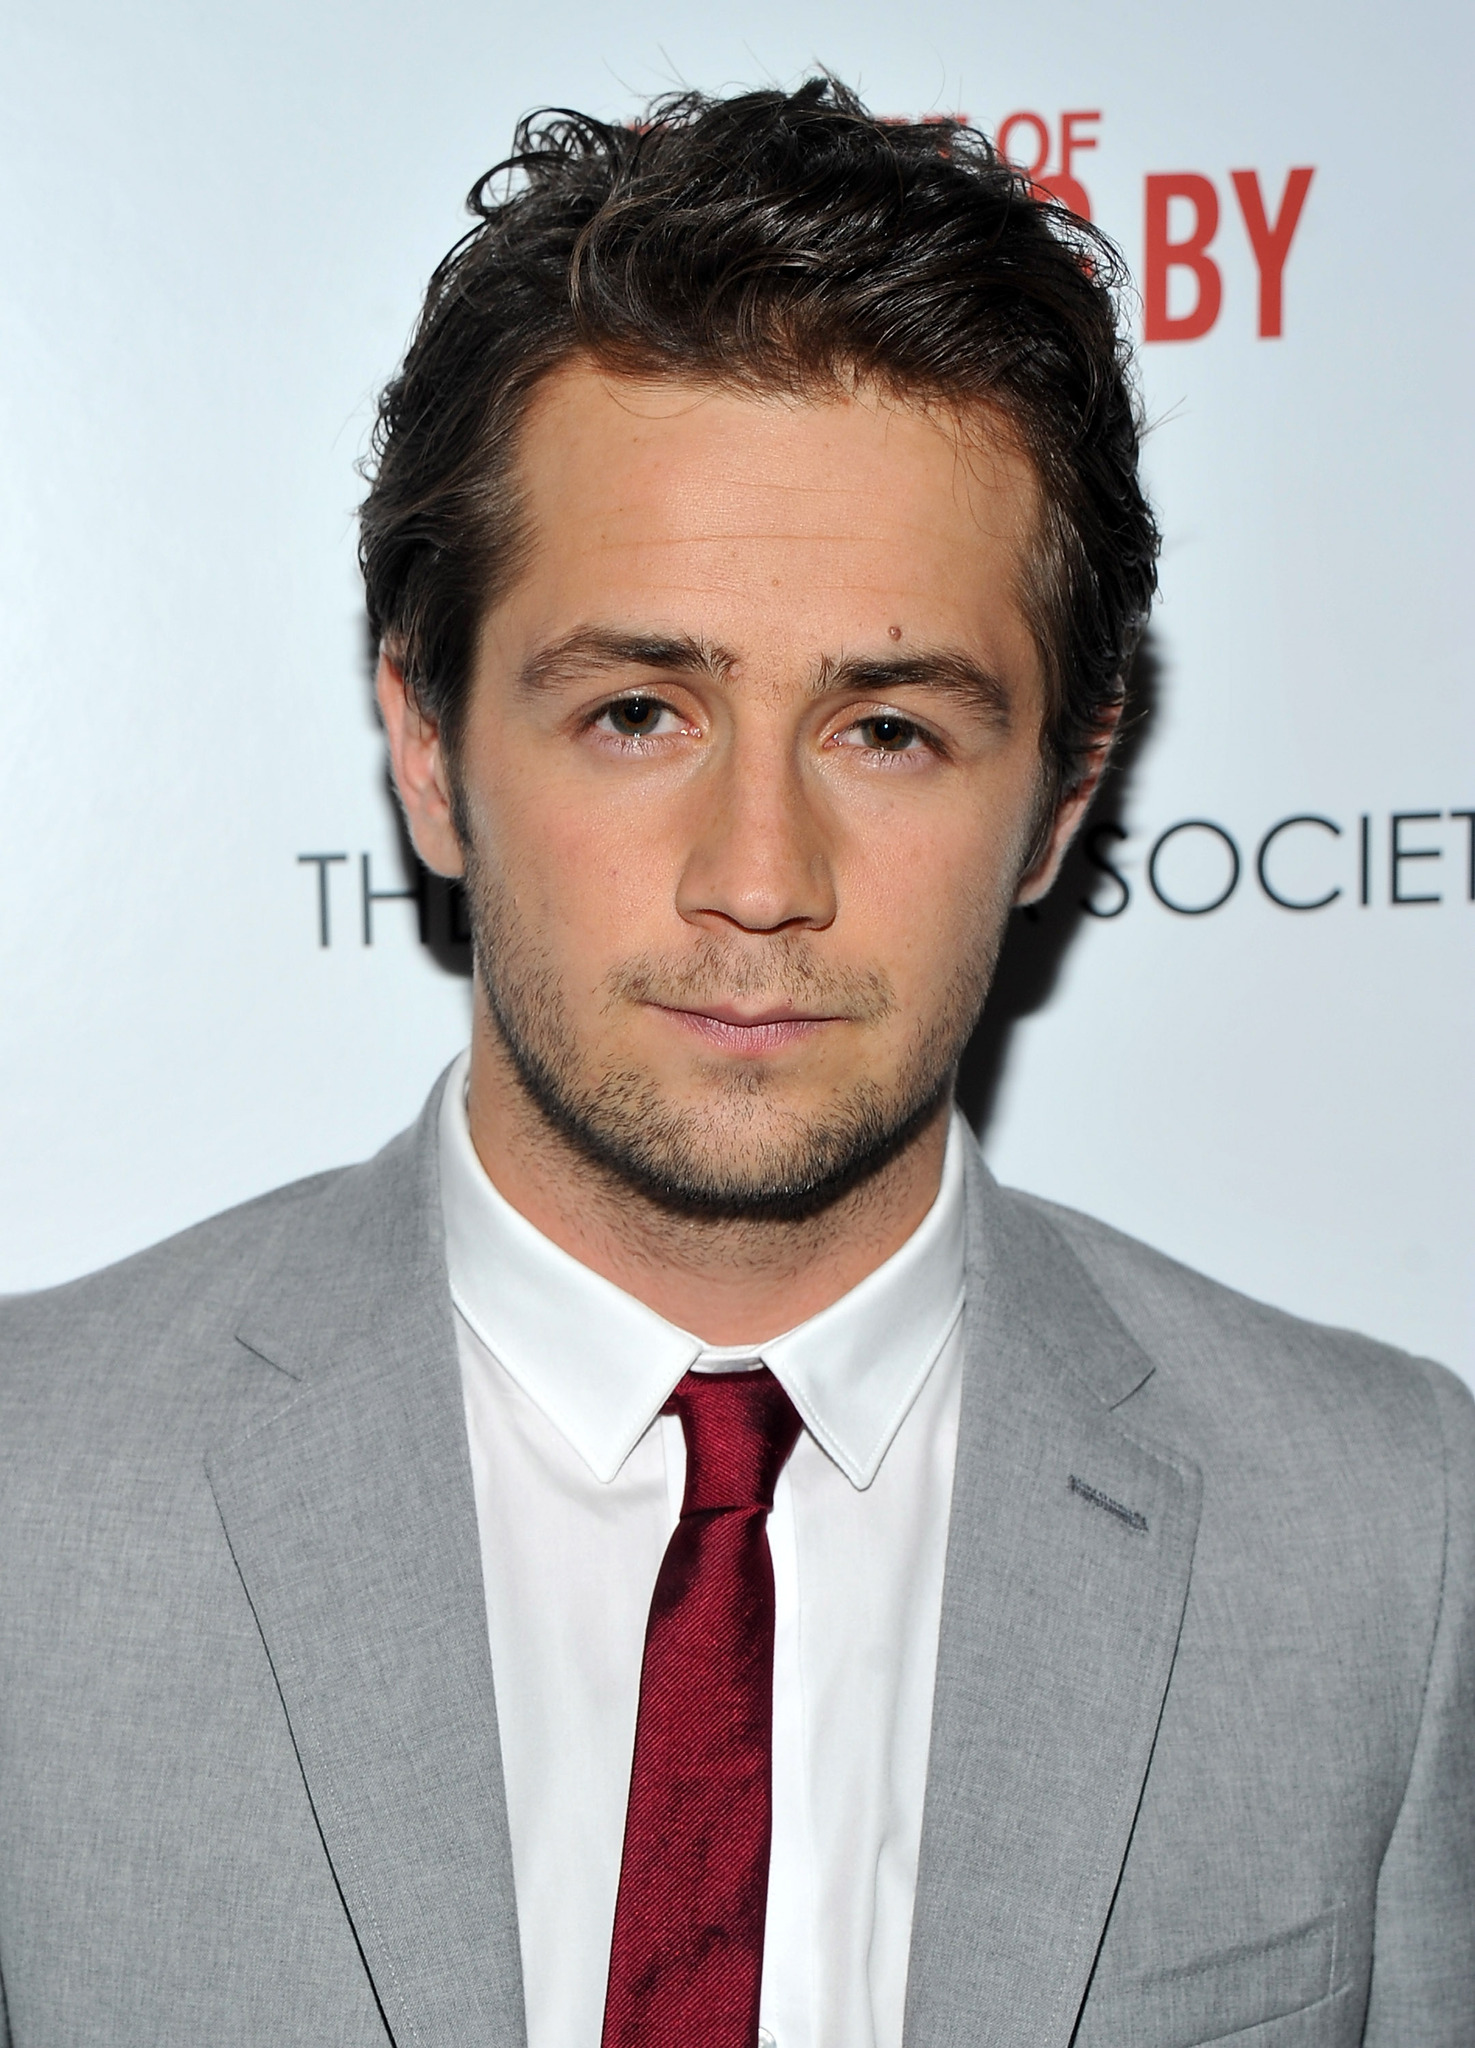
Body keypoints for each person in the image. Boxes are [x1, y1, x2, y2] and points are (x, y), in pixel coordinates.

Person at [0, 76, 1469, 2048]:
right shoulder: (30, 1499)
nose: (759, 878)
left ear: (1063, 797)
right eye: (638, 711)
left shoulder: (1382, 1537)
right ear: (427, 747)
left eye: (890, 731)